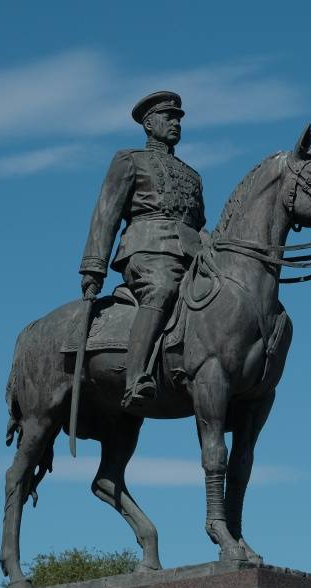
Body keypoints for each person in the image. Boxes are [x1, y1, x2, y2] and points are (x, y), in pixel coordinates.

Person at [79, 91, 206, 408]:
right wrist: (93, 266)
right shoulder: (130, 159)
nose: (175, 122)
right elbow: (106, 214)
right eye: (168, 117)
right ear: (149, 124)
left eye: (178, 118)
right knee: (162, 289)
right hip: (146, 251)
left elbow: (199, 223)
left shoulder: (193, 174)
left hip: (192, 255)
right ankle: (135, 376)